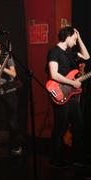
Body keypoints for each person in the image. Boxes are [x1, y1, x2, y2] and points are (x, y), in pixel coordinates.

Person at [46, 26, 90, 168]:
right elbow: (53, 74)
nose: (76, 42)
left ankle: (76, 158)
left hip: (71, 95)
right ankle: (54, 159)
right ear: (68, 36)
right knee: (60, 127)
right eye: (75, 39)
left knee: (79, 126)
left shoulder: (70, 54)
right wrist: (72, 82)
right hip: (59, 92)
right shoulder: (54, 52)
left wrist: (80, 38)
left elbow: (87, 57)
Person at [0, 41, 23, 155]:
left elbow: (14, 74)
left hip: (8, 91)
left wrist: (0, 66)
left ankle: (15, 146)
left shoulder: (5, 55)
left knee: (12, 120)